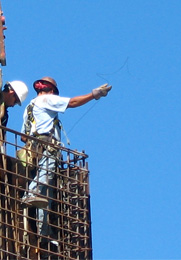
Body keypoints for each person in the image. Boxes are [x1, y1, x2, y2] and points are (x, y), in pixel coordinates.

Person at [20, 76, 112, 241]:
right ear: (52, 90)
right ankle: (29, 194)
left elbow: (23, 137)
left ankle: (44, 231)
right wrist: (94, 94)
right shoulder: (47, 99)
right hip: (48, 146)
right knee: (44, 179)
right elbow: (73, 102)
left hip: (33, 149)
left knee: (45, 193)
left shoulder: (29, 107)